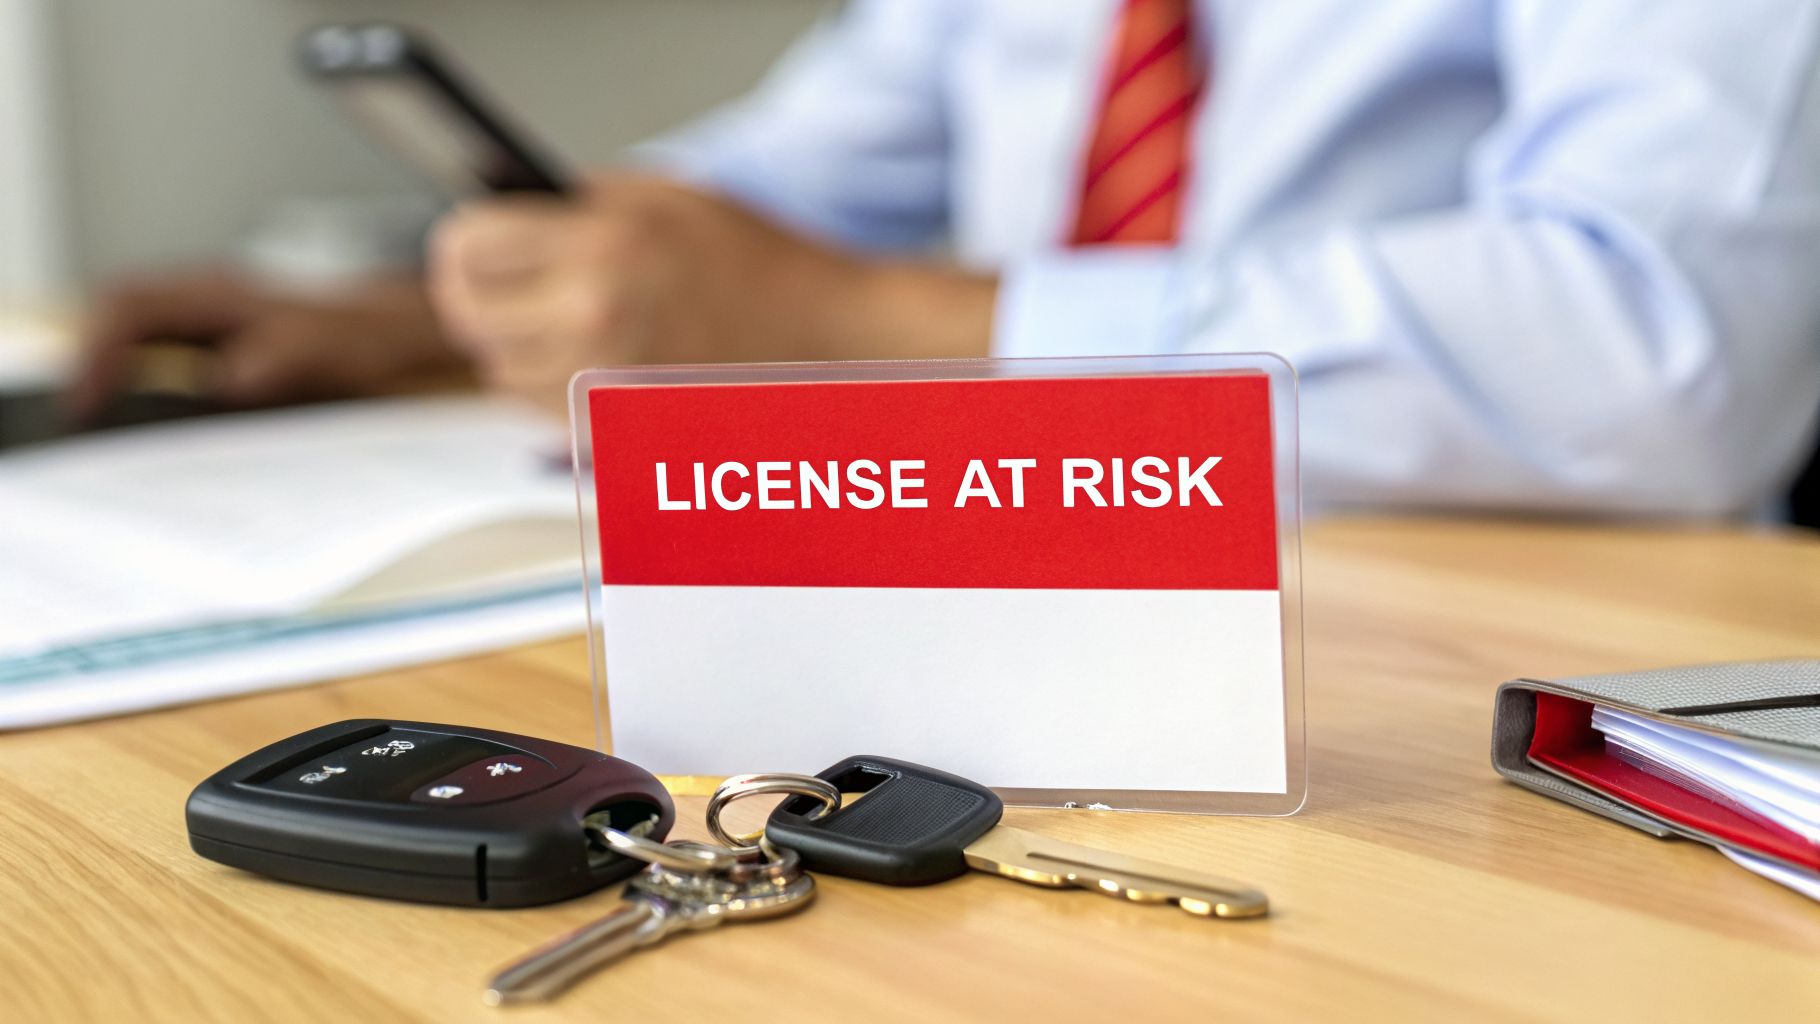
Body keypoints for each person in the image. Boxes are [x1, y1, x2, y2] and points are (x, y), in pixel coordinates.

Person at [73, 0, 1820, 516]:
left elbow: (1669, 353)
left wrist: (843, 318)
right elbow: (778, 186)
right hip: (1049, 571)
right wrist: (421, 317)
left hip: (1468, 618)